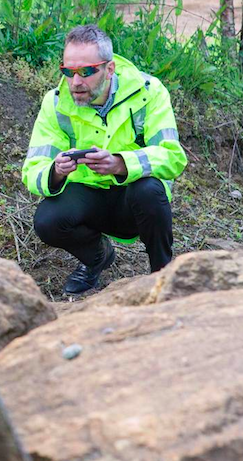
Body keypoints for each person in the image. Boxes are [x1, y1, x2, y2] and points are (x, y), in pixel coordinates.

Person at [22, 24, 187, 294]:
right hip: (88, 199)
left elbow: (172, 157)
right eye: (68, 72)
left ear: (109, 69)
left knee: (150, 189)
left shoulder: (149, 91)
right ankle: (97, 258)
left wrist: (122, 163)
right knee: (47, 220)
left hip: (134, 199)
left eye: (86, 72)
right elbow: (32, 170)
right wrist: (56, 171)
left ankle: (163, 275)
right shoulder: (54, 103)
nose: (76, 82)